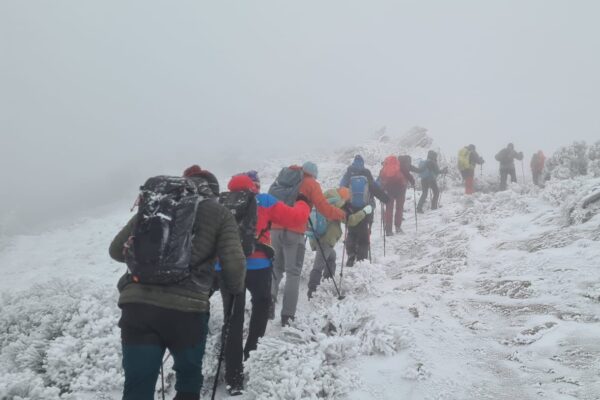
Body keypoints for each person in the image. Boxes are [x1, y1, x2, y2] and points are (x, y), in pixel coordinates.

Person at [109, 169, 246, 400]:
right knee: (189, 381)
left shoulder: (158, 204)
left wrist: (150, 259)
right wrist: (235, 289)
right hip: (187, 313)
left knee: (137, 387)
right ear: (213, 191)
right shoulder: (219, 212)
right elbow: (234, 265)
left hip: (138, 308)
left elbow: (116, 250)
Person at [216, 173, 310, 395]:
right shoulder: (264, 200)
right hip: (257, 265)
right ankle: (252, 355)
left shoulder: (220, 202)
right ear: (254, 187)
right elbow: (296, 219)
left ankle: (234, 379)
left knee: (233, 318)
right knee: (261, 304)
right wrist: (303, 203)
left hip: (227, 266)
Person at [270, 162, 345, 327]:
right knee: (293, 273)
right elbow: (324, 208)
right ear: (314, 174)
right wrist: (341, 214)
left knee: (276, 268)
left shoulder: (283, 180)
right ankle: (287, 316)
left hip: (274, 230)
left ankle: (269, 301)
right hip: (294, 232)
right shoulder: (311, 184)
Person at [306, 187, 371, 298]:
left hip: (315, 237)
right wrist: (364, 212)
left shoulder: (322, 200)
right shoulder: (335, 205)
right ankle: (312, 291)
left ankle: (327, 281)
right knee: (319, 264)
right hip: (325, 239)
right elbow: (351, 220)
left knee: (331, 256)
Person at [340, 155, 389, 263]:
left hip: (351, 207)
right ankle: (362, 260)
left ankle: (351, 254)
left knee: (351, 231)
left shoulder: (349, 173)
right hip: (366, 208)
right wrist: (385, 199)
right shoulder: (366, 173)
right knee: (364, 233)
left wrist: (343, 205)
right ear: (362, 163)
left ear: (354, 162)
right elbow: (374, 187)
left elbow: (341, 186)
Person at [378, 155, 407, 236]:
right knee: (399, 208)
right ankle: (398, 227)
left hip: (389, 191)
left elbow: (381, 182)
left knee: (389, 210)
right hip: (400, 190)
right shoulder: (399, 167)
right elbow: (404, 178)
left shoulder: (383, 170)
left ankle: (388, 230)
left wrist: (381, 192)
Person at [396, 155, 419, 232]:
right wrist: (413, 181)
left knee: (393, 204)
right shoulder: (405, 166)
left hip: (392, 186)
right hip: (402, 186)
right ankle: (399, 220)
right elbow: (409, 174)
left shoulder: (396, 164)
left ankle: (392, 222)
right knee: (400, 204)